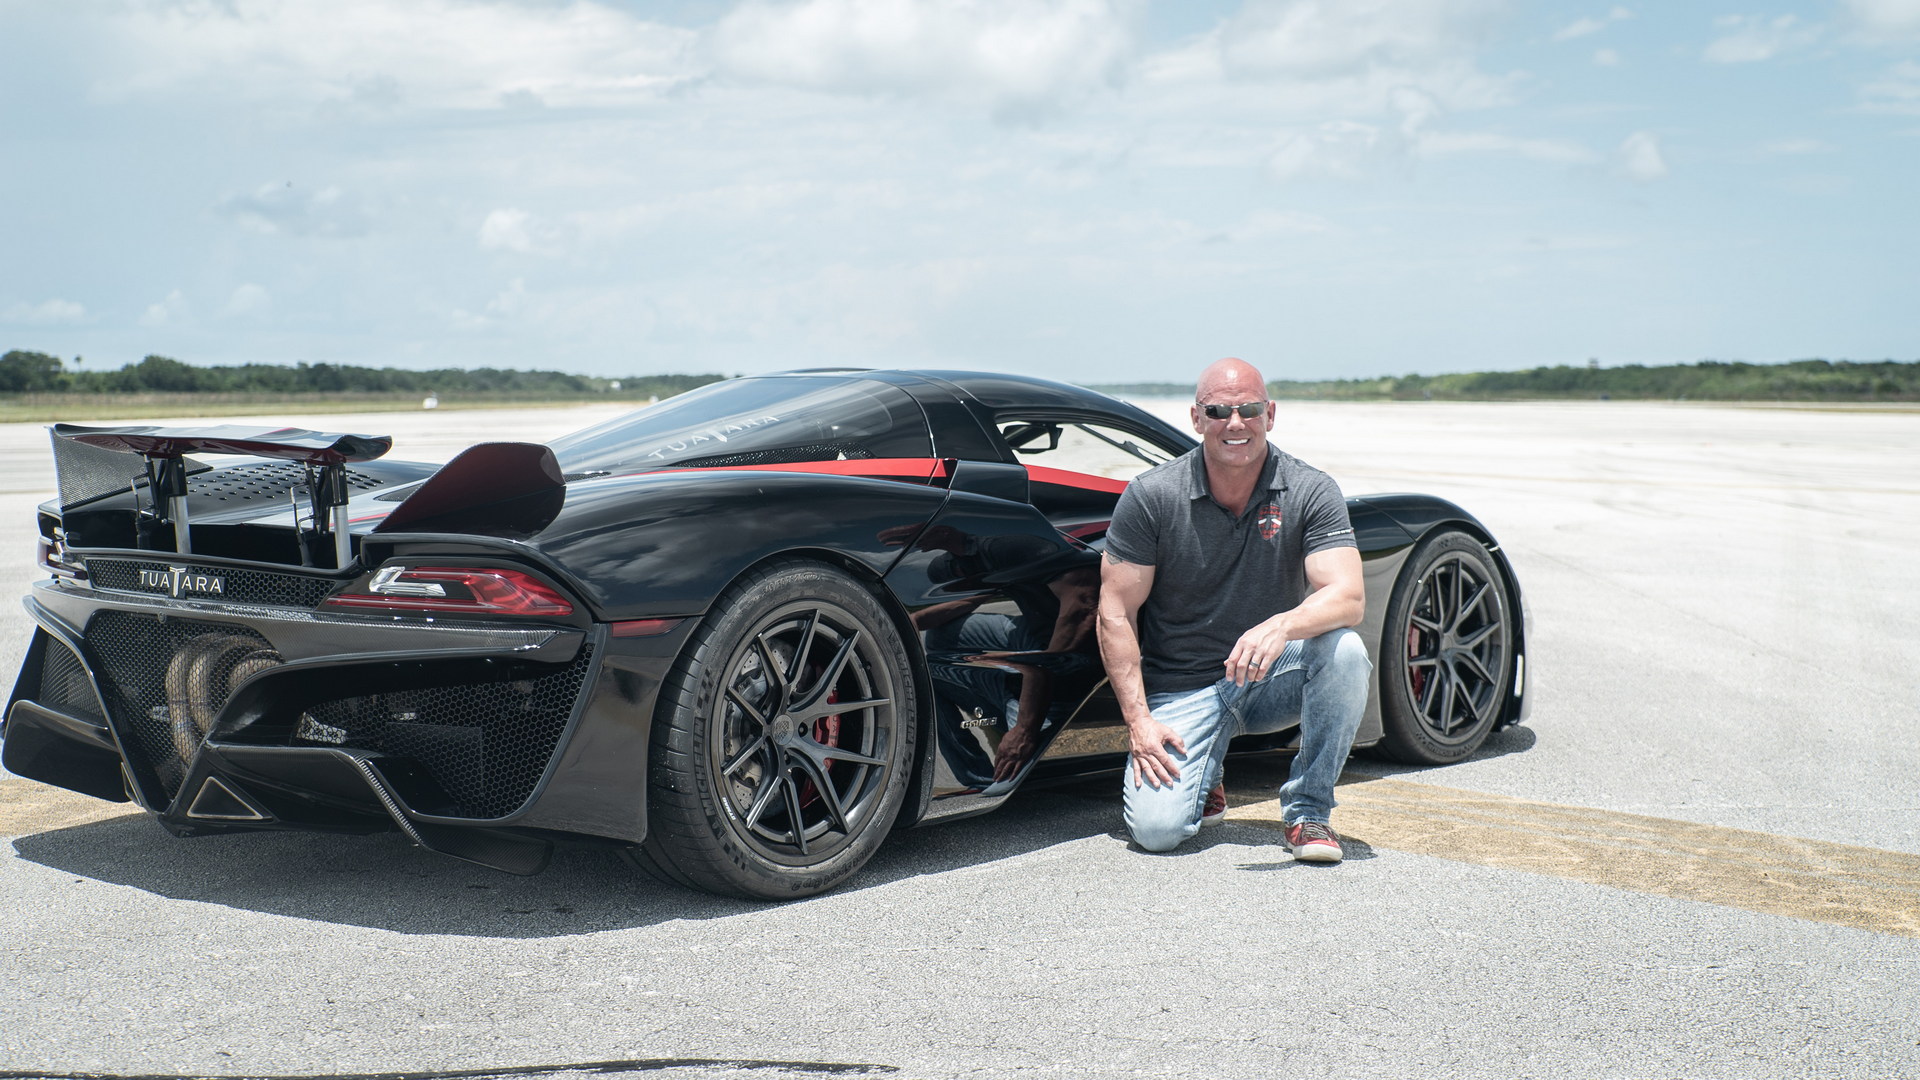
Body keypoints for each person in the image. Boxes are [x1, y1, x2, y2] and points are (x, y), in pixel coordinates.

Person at [1096, 357, 1371, 862]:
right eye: (1219, 410)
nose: (1235, 423)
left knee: (1345, 651)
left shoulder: (1311, 488)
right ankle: (1208, 772)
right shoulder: (1152, 495)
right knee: (1157, 833)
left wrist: (1281, 625)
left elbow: (1349, 596)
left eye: (1248, 409)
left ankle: (1309, 812)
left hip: (1267, 676)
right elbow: (1114, 612)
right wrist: (1138, 721)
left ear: (1270, 413)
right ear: (1197, 418)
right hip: (1182, 689)